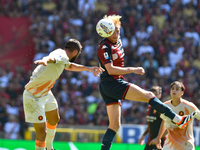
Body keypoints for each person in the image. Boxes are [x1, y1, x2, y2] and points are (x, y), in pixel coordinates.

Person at [96, 14, 197, 150]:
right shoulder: (104, 47)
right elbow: (110, 69)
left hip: (110, 85)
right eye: (113, 31)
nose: (116, 34)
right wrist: (133, 69)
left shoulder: (117, 42)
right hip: (112, 83)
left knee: (114, 125)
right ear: (106, 31)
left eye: (118, 31)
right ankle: (176, 118)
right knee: (149, 96)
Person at [23, 39, 104, 150]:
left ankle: (49, 148)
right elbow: (53, 59)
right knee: (42, 132)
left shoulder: (62, 55)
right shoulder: (61, 56)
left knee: (54, 119)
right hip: (33, 96)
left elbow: (69, 65)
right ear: (75, 52)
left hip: (45, 93)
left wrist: (88, 68)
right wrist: (45, 59)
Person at [149, 81, 200, 150]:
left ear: (182, 92)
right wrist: (158, 138)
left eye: (177, 89)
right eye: (172, 88)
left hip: (186, 144)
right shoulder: (165, 106)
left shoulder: (189, 106)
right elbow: (164, 121)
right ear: (170, 91)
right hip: (170, 144)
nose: (174, 90)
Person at [138, 86, 167, 150]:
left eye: (156, 94)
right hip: (150, 141)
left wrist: (158, 138)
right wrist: (143, 135)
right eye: (152, 94)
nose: (154, 96)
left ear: (160, 95)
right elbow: (151, 124)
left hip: (159, 142)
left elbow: (167, 127)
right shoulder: (149, 107)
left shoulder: (162, 108)